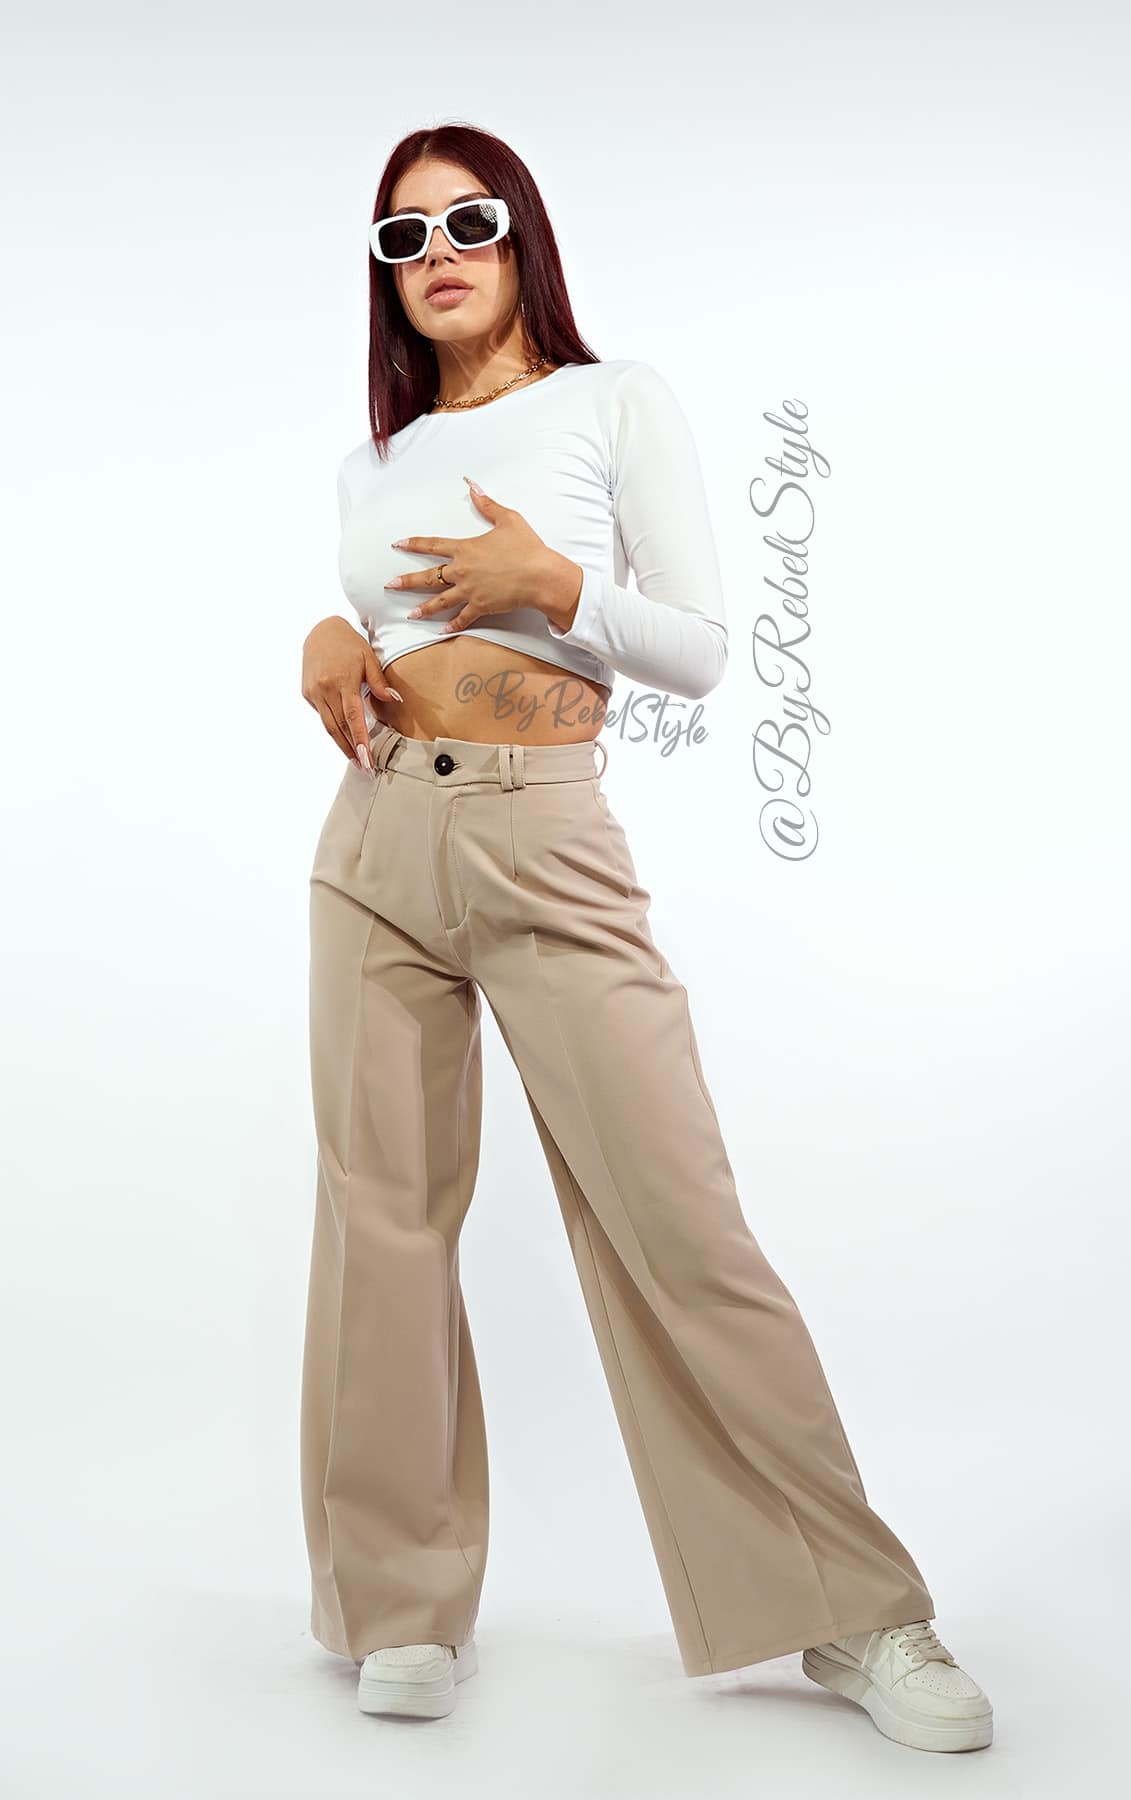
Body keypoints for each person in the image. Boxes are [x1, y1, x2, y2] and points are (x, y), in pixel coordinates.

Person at [297, 123, 993, 1754]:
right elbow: (382, 627)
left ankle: (853, 1608)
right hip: (375, 839)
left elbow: (695, 648)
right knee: (382, 1226)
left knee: (679, 1219)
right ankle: (397, 1607)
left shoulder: (614, 403)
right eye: (403, 237)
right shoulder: (374, 461)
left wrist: (554, 585)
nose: (437, 253)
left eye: (467, 221)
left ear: (520, 235)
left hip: (542, 830)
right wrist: (328, 633)